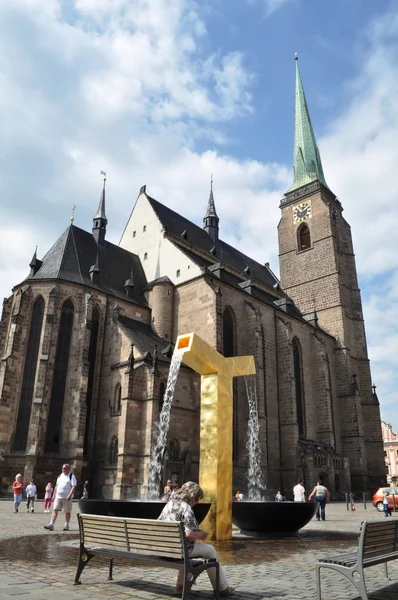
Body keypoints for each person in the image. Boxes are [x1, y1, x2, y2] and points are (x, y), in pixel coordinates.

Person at [158, 481, 235, 597]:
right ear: (192, 496)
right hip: (178, 550)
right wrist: (201, 535)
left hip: (165, 549)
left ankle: (181, 586)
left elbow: (160, 523)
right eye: (197, 499)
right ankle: (222, 588)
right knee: (210, 550)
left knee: (185, 551)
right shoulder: (187, 508)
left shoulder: (169, 504)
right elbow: (188, 534)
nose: (196, 503)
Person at [44, 464, 77, 531]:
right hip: (58, 496)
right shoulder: (60, 476)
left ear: (68, 469)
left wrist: (69, 495)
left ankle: (66, 525)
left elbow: (74, 486)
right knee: (55, 509)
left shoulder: (71, 476)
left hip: (67, 497)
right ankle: (51, 524)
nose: (63, 469)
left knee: (67, 511)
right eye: (62, 468)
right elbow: (57, 486)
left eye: (64, 468)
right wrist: (54, 495)